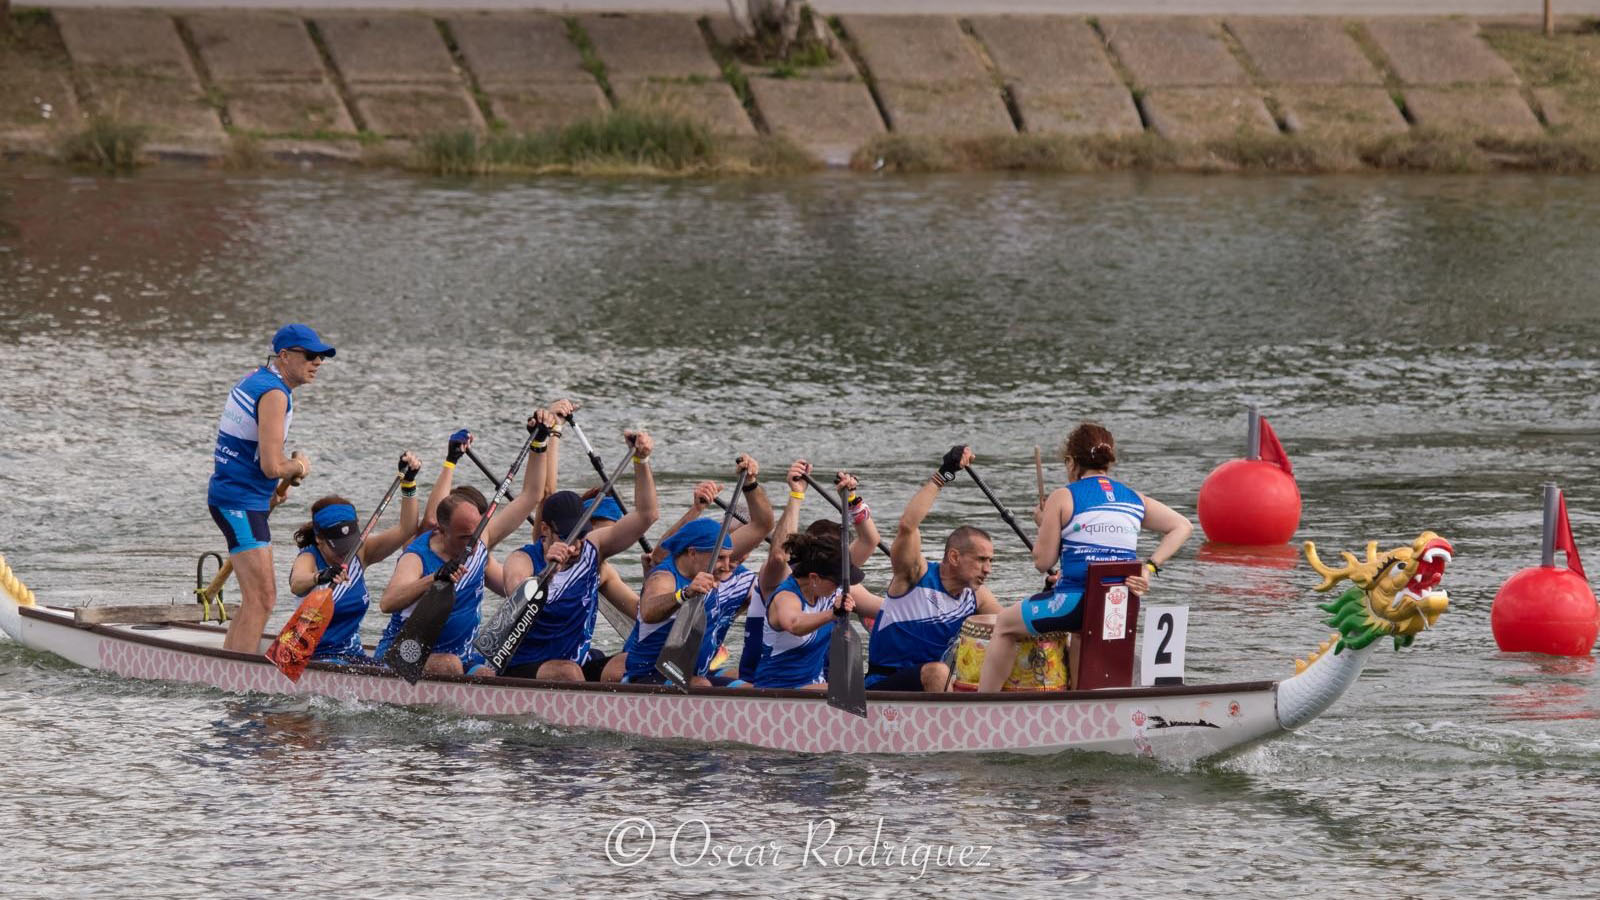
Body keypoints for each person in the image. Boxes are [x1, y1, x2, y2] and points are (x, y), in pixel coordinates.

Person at [977, 422, 1190, 693]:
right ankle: (1079, 698)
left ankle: (984, 704)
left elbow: (1042, 562)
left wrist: (1044, 524)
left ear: (1071, 462)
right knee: (1079, 635)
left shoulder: (1063, 497)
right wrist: (1148, 568)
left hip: (1076, 604)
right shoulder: (1134, 499)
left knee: (1005, 624)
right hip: (1119, 606)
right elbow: (1183, 526)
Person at [373, 408, 556, 676]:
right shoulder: (416, 557)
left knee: (486, 675)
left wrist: (539, 442)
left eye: (475, 534)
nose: (472, 543)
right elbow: (387, 603)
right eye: (463, 538)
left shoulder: (480, 540)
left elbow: (531, 495)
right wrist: (434, 578)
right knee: (449, 665)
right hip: (404, 655)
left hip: (462, 657)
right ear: (441, 531)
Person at [207, 323, 333, 653]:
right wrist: (299, 466)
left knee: (256, 598)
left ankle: (230, 661)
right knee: (263, 598)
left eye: (321, 357)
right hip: (239, 502)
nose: (318, 362)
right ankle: (236, 676)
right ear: (284, 355)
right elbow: (271, 466)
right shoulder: (275, 395)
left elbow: (252, 454)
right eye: (310, 355)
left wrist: (272, 490)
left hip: (239, 496)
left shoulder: (255, 379)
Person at [493, 431, 657, 680]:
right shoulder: (522, 560)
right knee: (568, 672)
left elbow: (647, 515)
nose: (574, 547)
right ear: (545, 530)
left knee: (633, 661)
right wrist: (546, 575)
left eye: (581, 535)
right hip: (524, 666)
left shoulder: (594, 548)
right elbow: (517, 599)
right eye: (566, 537)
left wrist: (642, 461)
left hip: (577, 663)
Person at [614, 456, 773, 685]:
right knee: (701, 684)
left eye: (729, 558)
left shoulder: (717, 559)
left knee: (749, 688)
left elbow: (763, 525)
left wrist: (750, 483)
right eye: (721, 559)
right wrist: (685, 594)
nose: (726, 565)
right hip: (650, 677)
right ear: (692, 553)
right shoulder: (664, 577)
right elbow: (648, 610)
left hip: (693, 674)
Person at [865, 445, 1003, 692]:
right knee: (939, 672)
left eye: (991, 561)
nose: (988, 569)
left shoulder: (976, 596)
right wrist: (943, 475)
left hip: (933, 687)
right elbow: (907, 526)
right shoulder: (914, 575)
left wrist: (1049, 591)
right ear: (954, 557)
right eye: (981, 560)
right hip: (884, 686)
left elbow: (1010, 626)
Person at [736, 460, 881, 685]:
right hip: (763, 684)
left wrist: (852, 500)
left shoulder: (835, 577)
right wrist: (796, 495)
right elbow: (779, 555)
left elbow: (870, 541)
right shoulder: (781, 581)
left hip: (814, 680)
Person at [285, 451, 423, 663]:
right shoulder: (309, 557)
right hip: (311, 657)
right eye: (338, 547)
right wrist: (320, 576)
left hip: (352, 656)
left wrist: (409, 483)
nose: (345, 553)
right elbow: (297, 583)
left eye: (348, 544)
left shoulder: (361, 552)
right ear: (319, 539)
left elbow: (407, 528)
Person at [751, 531, 860, 691]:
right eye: (836, 582)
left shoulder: (827, 591)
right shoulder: (786, 597)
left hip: (814, 683)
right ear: (814, 578)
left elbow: (867, 543)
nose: (840, 587)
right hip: (778, 689)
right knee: (847, 692)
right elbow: (794, 624)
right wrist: (832, 614)